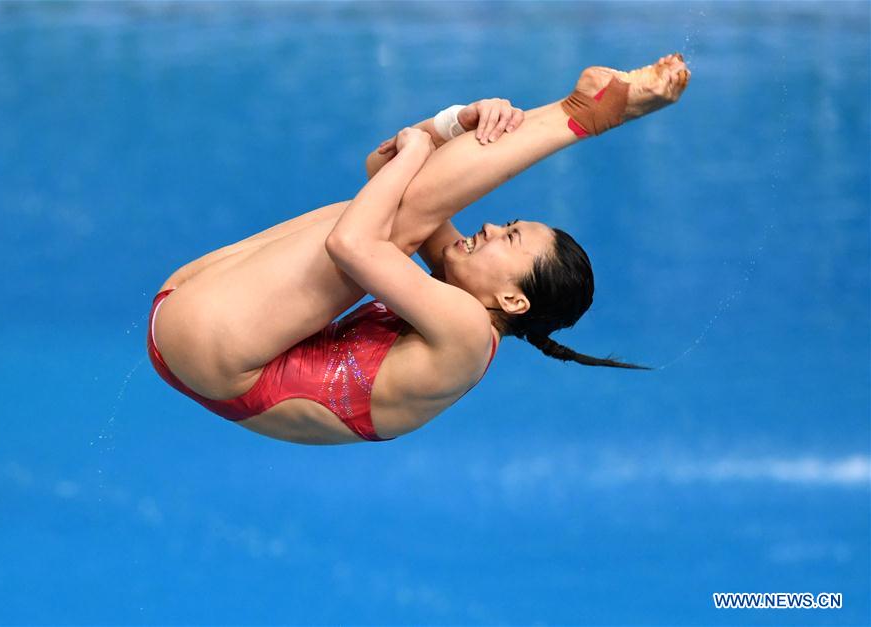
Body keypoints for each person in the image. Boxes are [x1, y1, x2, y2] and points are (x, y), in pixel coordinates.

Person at [147, 54, 691, 445]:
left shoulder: (468, 332)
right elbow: (381, 173)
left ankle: (584, 115)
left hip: (214, 351)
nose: (490, 229)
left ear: (514, 301)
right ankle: (583, 113)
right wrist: (451, 124)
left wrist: (419, 146)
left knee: (385, 226)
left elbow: (352, 243)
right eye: (507, 223)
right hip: (200, 330)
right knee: (393, 214)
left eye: (511, 238)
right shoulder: (458, 297)